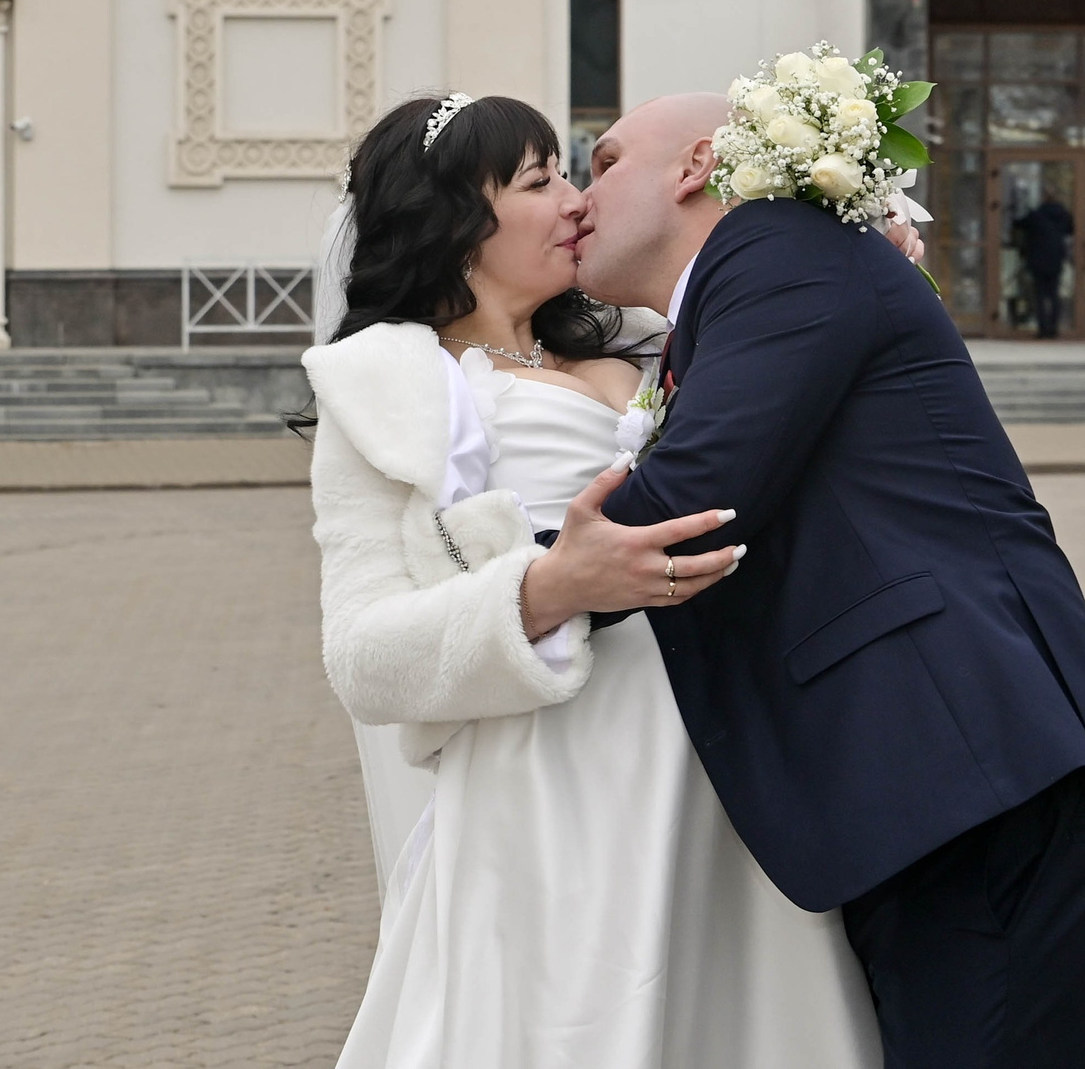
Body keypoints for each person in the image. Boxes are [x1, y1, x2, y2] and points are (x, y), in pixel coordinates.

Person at [574, 94, 1085, 1069]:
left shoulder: (773, 249)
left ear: (695, 163)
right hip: (942, 795)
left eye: (600, 162)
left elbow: (692, 501)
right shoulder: (749, 290)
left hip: (989, 786)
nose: (578, 197)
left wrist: (509, 588)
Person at [305, 92, 881, 1069]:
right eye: (541, 180)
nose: (577, 200)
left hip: (726, 748)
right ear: (454, 218)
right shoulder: (388, 392)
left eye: (575, 171)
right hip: (564, 783)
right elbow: (365, 658)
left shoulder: (647, 341)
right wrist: (548, 588)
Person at [1015, 192, 1076, 338]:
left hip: (1038, 260)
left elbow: (1019, 224)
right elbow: (1072, 229)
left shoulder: (1037, 215)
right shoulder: (1063, 215)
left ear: (1043, 199)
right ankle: (1054, 328)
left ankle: (1043, 329)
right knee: (1054, 295)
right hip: (1056, 260)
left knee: (1040, 296)